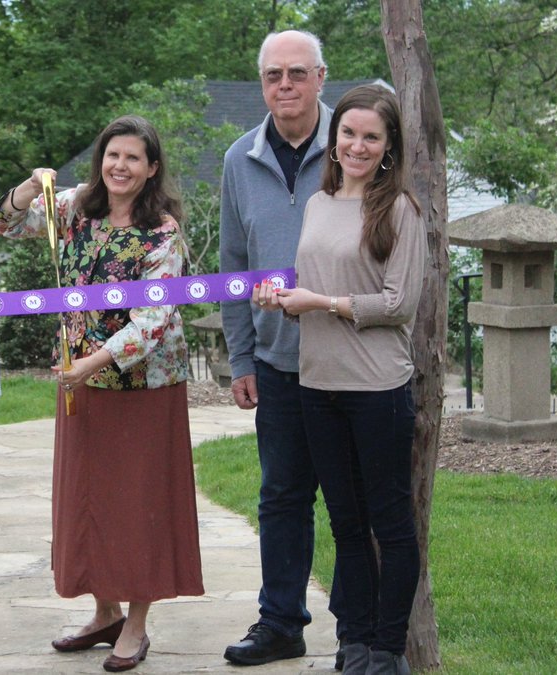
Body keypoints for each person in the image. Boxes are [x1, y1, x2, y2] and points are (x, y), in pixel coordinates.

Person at [0, 115, 203, 673]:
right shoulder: (74, 208)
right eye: (113, 155)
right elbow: (5, 224)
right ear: (100, 160)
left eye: (134, 158)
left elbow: (156, 316)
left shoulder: (162, 232)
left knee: (140, 504)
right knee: (88, 500)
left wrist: (94, 361)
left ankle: (135, 622)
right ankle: (103, 612)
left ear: (152, 168)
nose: (120, 166)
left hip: (142, 385)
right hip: (81, 383)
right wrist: (26, 187)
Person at [253, 84, 425, 675]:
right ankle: (354, 642)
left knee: (390, 524)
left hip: (377, 390)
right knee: (345, 524)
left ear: (388, 146)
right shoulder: (320, 203)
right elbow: (313, 280)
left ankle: (388, 648)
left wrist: (321, 302)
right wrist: (283, 299)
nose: (356, 145)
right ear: (334, 140)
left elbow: (400, 304)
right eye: (348, 133)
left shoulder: (399, 210)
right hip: (316, 385)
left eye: (370, 137)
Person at [218, 29, 342, 667]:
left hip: (352, 362)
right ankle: (281, 623)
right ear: (261, 83)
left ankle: (360, 631)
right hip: (278, 364)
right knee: (282, 497)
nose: (285, 86)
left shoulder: (354, 149)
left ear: (322, 77)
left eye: (297, 73)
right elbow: (232, 266)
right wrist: (241, 359)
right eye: (274, 75)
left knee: (355, 501)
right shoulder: (240, 159)